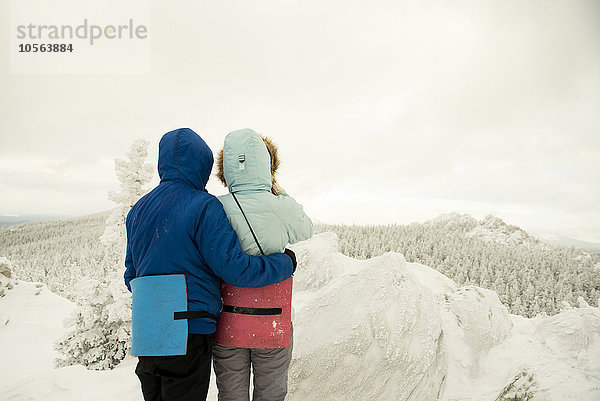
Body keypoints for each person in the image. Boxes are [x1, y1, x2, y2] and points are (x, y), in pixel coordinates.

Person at [124, 128, 297, 401]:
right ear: (203, 165)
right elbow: (234, 268)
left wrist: (158, 305)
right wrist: (283, 263)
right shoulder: (203, 206)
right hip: (188, 328)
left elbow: (131, 276)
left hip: (147, 330)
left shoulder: (138, 209)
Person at [212, 128, 313, 401]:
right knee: (271, 393)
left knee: (230, 395)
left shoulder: (214, 207)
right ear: (267, 166)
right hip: (272, 318)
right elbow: (306, 229)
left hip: (228, 319)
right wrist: (275, 189)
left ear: (226, 169)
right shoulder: (279, 206)